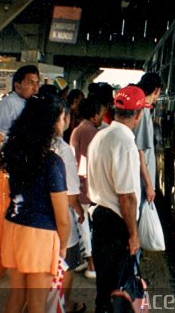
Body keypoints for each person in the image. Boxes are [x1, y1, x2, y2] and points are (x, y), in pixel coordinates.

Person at [0, 95, 70, 313]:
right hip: (40, 236)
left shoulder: (14, 152)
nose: (64, 121)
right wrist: (63, 246)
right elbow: (62, 218)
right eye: (61, 117)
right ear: (50, 123)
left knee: (16, 295)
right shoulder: (52, 162)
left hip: (13, 228)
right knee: (37, 302)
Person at [87, 85, 149, 313]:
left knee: (104, 287)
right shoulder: (125, 143)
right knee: (118, 290)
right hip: (116, 223)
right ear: (139, 114)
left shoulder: (101, 135)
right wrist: (133, 234)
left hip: (100, 216)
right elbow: (127, 197)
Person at [0, 65, 40, 185]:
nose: (35, 88)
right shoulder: (9, 103)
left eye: (37, 83)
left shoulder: (30, 103)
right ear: (17, 85)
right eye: (30, 83)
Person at [51, 106, 86, 313]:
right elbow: (71, 196)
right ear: (61, 119)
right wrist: (80, 210)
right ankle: (62, 306)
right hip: (61, 217)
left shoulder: (28, 143)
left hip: (33, 224)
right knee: (68, 264)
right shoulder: (62, 149)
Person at [69, 97, 107, 280]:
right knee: (86, 227)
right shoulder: (91, 132)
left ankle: (84, 260)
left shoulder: (78, 129)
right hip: (86, 187)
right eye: (101, 114)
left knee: (81, 225)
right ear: (94, 115)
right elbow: (93, 162)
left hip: (78, 185)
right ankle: (92, 265)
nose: (102, 118)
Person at [134, 73, 162, 207]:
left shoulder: (141, 110)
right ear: (156, 90)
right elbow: (140, 153)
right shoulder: (143, 113)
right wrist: (149, 184)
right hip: (141, 183)